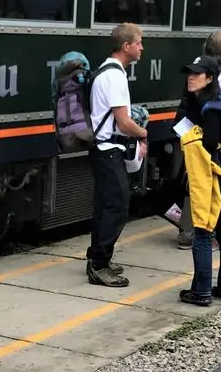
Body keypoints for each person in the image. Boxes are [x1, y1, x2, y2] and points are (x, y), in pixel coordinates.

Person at [86, 23, 147, 288]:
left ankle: (97, 259)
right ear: (126, 46)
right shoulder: (115, 76)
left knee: (105, 205)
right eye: (139, 43)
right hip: (107, 150)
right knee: (118, 205)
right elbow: (123, 123)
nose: (142, 48)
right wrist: (142, 133)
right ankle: (99, 265)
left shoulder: (108, 71)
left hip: (104, 150)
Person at [176, 55, 221, 306]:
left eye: (197, 73)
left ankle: (201, 292)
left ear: (210, 78)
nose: (191, 77)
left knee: (203, 232)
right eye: (189, 72)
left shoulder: (210, 107)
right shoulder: (220, 102)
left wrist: (191, 131)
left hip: (216, 180)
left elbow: (210, 143)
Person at [176, 30, 221, 249]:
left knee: (191, 181)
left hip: (189, 132)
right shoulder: (220, 72)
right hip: (208, 137)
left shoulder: (195, 68)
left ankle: (186, 230)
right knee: (208, 185)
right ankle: (203, 231)